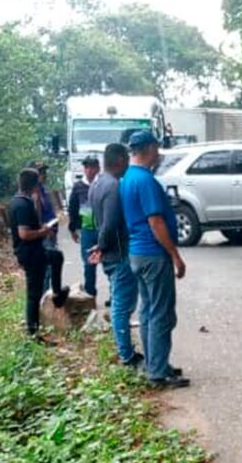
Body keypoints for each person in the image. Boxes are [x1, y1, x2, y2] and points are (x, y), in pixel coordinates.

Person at [120, 130, 189, 389]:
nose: (158, 154)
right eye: (156, 149)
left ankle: (154, 364)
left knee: (148, 311)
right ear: (148, 148)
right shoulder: (145, 181)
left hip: (137, 252)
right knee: (162, 314)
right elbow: (156, 221)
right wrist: (175, 255)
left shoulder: (128, 178)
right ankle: (158, 372)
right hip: (153, 254)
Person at [87, 144, 143, 368]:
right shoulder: (112, 187)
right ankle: (126, 354)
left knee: (120, 302)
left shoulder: (97, 184)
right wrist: (101, 245)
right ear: (119, 160)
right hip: (118, 254)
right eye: (127, 160)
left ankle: (125, 350)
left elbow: (98, 221)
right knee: (122, 305)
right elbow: (109, 224)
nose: (129, 164)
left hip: (110, 254)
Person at [8, 168, 70, 340]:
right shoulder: (22, 205)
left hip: (33, 251)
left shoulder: (20, 201)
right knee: (33, 294)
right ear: (35, 184)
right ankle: (33, 332)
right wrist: (44, 232)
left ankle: (57, 294)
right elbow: (24, 234)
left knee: (56, 256)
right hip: (30, 253)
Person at [68, 156, 100, 297]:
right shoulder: (78, 187)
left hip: (102, 229)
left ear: (98, 168)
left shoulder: (102, 185)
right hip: (87, 230)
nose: (90, 170)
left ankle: (114, 295)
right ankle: (90, 293)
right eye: (87, 167)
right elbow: (73, 208)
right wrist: (72, 228)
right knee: (88, 264)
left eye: (93, 167)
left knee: (110, 263)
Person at [30, 160, 59, 291]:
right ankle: (44, 299)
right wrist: (46, 230)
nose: (44, 175)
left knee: (50, 268)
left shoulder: (43, 190)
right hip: (43, 235)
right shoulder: (34, 193)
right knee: (46, 270)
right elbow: (36, 217)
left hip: (49, 232)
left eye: (44, 172)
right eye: (40, 172)